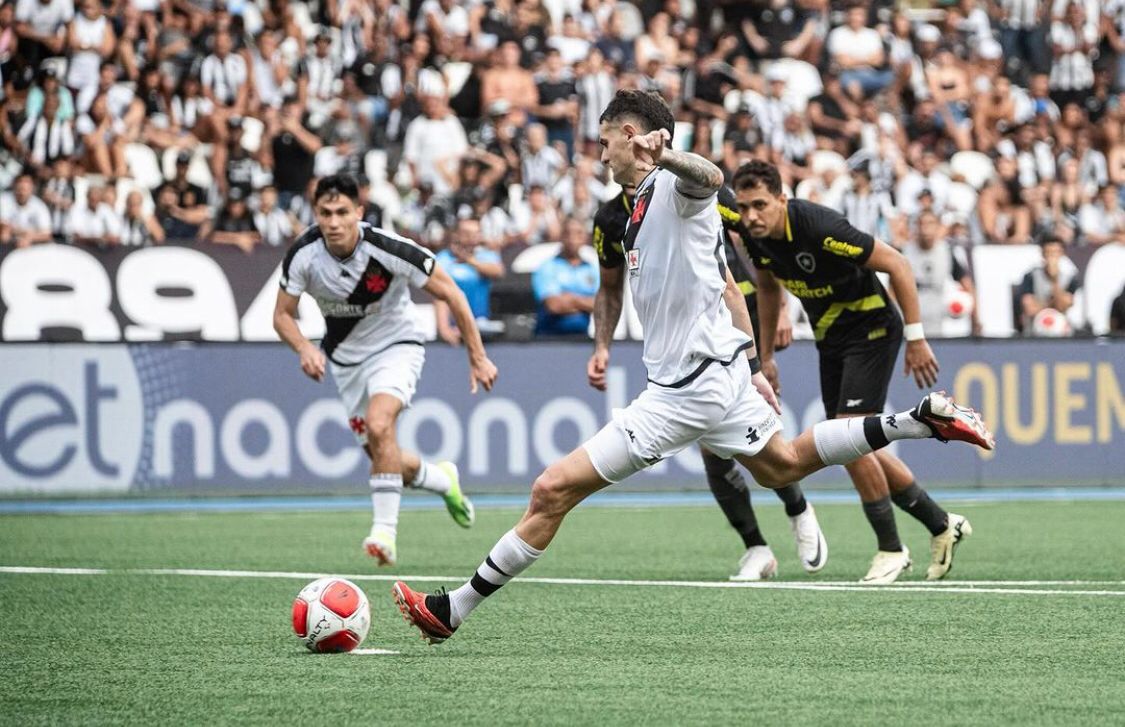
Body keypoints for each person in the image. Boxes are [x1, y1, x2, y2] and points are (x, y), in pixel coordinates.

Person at [391, 90, 994, 644]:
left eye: (605, 141)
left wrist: (669, 154)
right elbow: (729, 287)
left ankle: (451, 612)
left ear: (633, 136)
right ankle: (917, 421)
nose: (600, 155)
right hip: (722, 374)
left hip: (685, 390)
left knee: (552, 489)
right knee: (782, 466)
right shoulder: (631, 210)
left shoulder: (672, 189)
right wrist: (753, 364)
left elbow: (711, 176)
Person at [731, 158, 976, 585]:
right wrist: (765, 357)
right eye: (744, 206)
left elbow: (897, 263)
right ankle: (940, 524)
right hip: (832, 337)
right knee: (849, 442)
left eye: (760, 205)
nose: (750, 216)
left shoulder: (819, 226)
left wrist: (917, 339)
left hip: (873, 327)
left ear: (781, 200)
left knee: (846, 434)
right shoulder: (755, 238)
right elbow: (769, 291)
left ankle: (890, 549)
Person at [591, 179, 826, 581]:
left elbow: (756, 236)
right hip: (689, 333)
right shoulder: (611, 219)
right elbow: (609, 290)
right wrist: (601, 347)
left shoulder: (691, 189)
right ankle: (756, 546)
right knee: (714, 449)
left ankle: (797, 508)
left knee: (759, 439)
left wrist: (780, 307)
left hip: (739, 312)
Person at [273, 174, 498, 567]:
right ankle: (442, 479)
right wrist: (304, 347)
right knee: (381, 453)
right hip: (345, 362)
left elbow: (453, 295)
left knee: (380, 425)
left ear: (359, 212)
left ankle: (384, 535)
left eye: (343, 212)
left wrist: (477, 356)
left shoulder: (389, 248)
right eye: (325, 213)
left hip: (397, 347)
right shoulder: (303, 254)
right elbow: (282, 316)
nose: (334, 222)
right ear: (316, 214)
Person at [434, 216, 505, 345]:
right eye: (467, 233)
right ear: (456, 235)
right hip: (455, 328)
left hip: (480, 327)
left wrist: (469, 261)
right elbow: (440, 295)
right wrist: (444, 328)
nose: (472, 238)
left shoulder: (485, 256)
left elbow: (498, 272)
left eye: (476, 233)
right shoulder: (442, 260)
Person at [532, 217, 598, 336]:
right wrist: (585, 303)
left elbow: (601, 305)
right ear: (561, 236)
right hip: (548, 340)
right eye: (568, 233)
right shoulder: (547, 267)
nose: (572, 239)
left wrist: (570, 299)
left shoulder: (592, 269)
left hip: (582, 341)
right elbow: (554, 305)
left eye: (578, 233)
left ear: (585, 237)